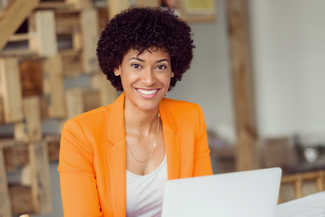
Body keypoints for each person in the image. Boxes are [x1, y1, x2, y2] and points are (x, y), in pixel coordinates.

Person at [58, 7, 212, 217]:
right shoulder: (80, 134)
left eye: (160, 67)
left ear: (173, 69)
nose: (149, 80)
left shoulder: (190, 118)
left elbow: (202, 204)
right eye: (136, 66)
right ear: (116, 67)